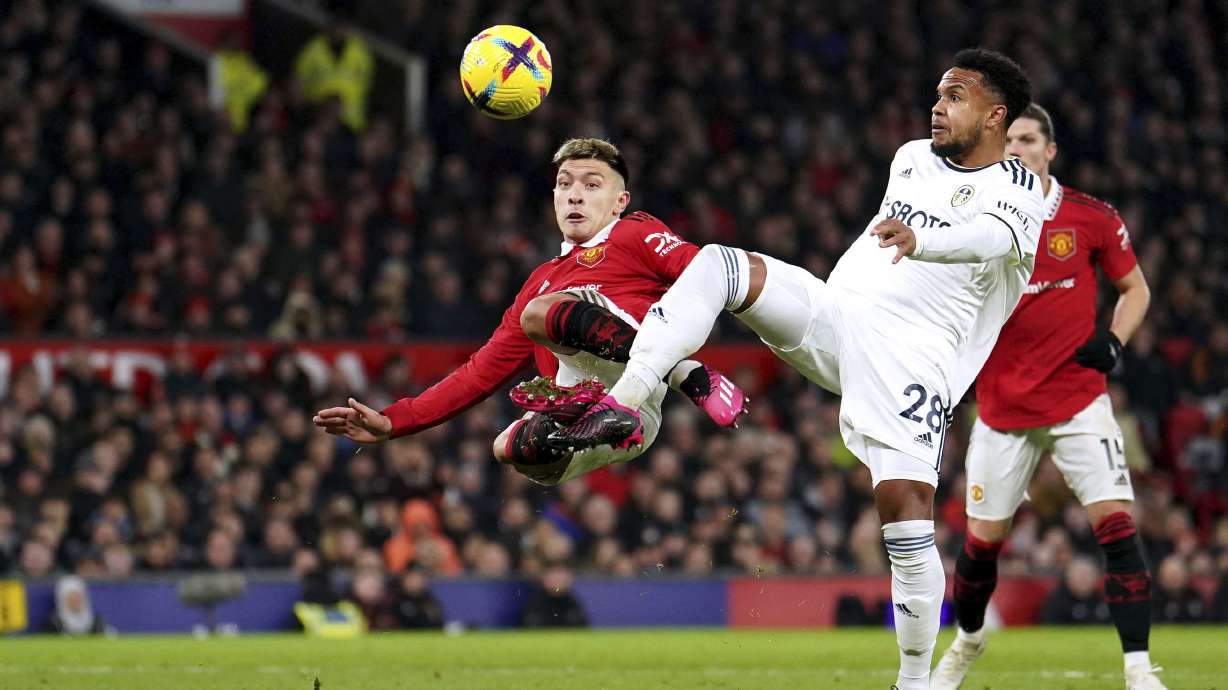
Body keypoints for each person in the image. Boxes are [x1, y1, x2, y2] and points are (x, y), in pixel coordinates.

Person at [551, 49, 1041, 690]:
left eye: (954, 96)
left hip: (914, 358)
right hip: (837, 317)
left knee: (905, 512)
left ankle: (916, 681)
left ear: (996, 114)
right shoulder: (911, 158)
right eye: (938, 94)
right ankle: (629, 394)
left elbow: (991, 241)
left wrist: (926, 240)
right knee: (723, 264)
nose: (937, 106)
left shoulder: (1022, 187)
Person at [314, 138, 747, 485]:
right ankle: (633, 401)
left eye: (592, 184)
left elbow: (706, 277)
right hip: (593, 413)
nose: (575, 194)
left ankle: (673, 368)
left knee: (543, 313)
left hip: (641, 384)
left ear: (620, 202)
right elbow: (479, 373)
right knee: (509, 448)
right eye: (564, 183)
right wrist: (393, 421)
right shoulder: (540, 279)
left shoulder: (635, 232)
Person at [931, 104, 1162, 690]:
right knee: (982, 548)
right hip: (1002, 412)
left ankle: (1138, 667)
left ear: (1049, 150)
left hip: (1079, 403)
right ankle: (968, 640)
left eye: (1027, 139)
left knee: (1117, 529)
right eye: (1006, 141)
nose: (1016, 149)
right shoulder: (975, 223)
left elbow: (1134, 289)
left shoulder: (1090, 217)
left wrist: (1113, 340)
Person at [521, 563, 589, 628]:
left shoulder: (573, 602)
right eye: (553, 575)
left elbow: (582, 628)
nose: (557, 580)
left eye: (560, 575)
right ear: (544, 577)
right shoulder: (535, 603)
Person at [43, 576, 107, 635]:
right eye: (71, 597)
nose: (75, 600)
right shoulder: (54, 622)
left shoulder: (95, 620)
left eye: (78, 596)